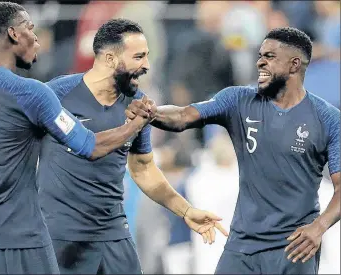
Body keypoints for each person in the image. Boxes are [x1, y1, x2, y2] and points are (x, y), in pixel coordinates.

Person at [0, 3, 152, 274]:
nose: (37, 38)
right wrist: (134, 125)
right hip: (20, 242)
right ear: (14, 34)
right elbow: (90, 146)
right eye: (30, 29)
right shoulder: (31, 94)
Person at [126, 27, 340, 274]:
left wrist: (319, 227)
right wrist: (150, 113)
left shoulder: (328, 119)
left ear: (294, 65)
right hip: (242, 247)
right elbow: (184, 115)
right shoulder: (238, 100)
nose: (260, 61)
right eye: (260, 55)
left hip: (293, 248)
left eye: (270, 57)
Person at [37, 18, 228, 275]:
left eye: (147, 56)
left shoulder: (137, 102)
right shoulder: (56, 95)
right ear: (109, 59)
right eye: (138, 57)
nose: (146, 65)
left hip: (113, 234)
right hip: (60, 237)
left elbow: (142, 168)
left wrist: (186, 210)